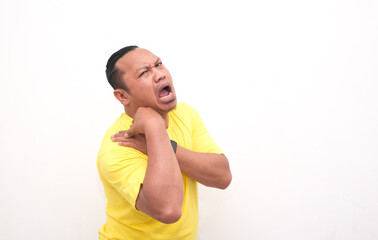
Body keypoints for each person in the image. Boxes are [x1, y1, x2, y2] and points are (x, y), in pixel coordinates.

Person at [97, 45, 232, 240]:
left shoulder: (185, 114)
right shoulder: (118, 145)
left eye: (159, 64)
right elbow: (168, 209)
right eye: (144, 72)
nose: (160, 74)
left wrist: (163, 144)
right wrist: (153, 125)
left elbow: (222, 176)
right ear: (123, 96)